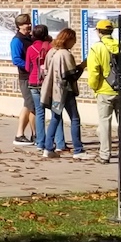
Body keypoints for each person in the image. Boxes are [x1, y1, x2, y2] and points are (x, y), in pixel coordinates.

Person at [39, 29, 81, 158]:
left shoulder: (52, 52)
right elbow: (71, 76)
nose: (75, 43)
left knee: (55, 118)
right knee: (75, 119)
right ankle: (78, 150)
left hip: (53, 90)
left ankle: (48, 148)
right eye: (73, 40)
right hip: (65, 91)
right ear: (68, 40)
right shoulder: (65, 54)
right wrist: (82, 67)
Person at [86, 16, 121, 163]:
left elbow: (93, 71)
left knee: (105, 123)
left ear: (99, 32)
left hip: (104, 89)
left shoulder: (97, 48)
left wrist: (94, 87)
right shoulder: (120, 46)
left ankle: (105, 154)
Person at [23, 24, 52, 151]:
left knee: (39, 113)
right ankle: (55, 141)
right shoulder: (50, 47)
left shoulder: (30, 49)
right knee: (54, 112)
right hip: (47, 82)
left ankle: (40, 142)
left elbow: (27, 68)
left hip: (33, 81)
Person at [8, 14, 35, 146]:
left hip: (32, 76)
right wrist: (31, 67)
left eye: (29, 23)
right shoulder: (17, 41)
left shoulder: (29, 38)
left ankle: (25, 134)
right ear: (19, 26)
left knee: (28, 105)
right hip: (25, 77)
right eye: (26, 23)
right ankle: (27, 135)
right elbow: (16, 59)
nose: (29, 25)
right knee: (32, 105)